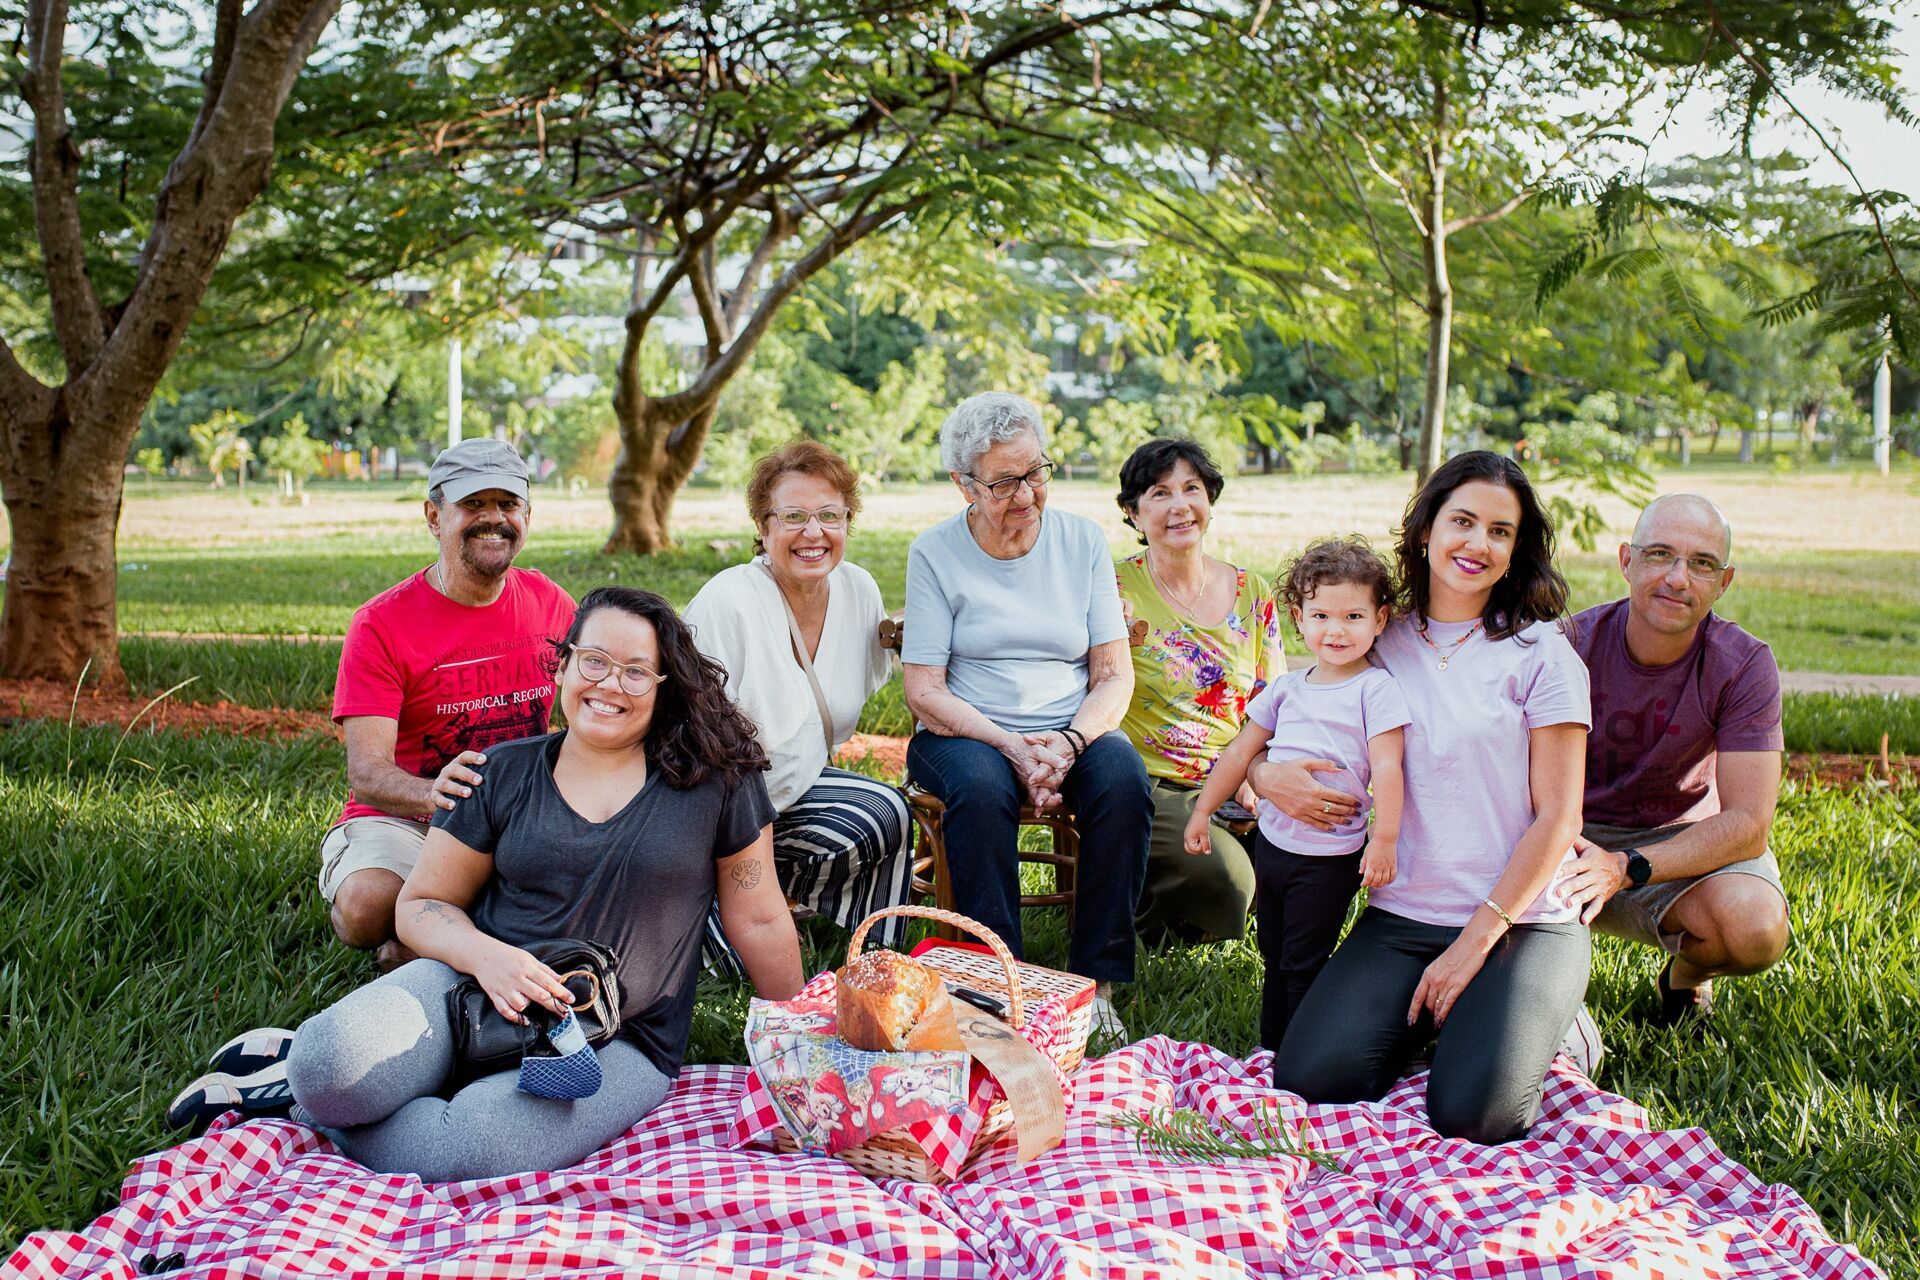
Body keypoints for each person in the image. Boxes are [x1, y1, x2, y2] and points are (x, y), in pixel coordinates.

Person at [167, 587, 805, 1180]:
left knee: (470, 1147)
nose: (611, 684)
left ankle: (312, 1113)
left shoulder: (717, 783)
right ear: (561, 668)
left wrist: (801, 1046)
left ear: (665, 687)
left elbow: (759, 918)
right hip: (469, 985)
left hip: (617, 1036)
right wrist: (489, 958)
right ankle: (306, 1079)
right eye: (595, 661)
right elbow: (421, 906)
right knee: (328, 1067)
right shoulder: (499, 772)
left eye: (637, 671)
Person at [1267, 451, 1591, 1144]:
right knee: (1313, 1078)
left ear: (1517, 550)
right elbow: (1292, 715)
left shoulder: (1543, 655)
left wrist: (1473, 945)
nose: (1478, 544)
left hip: (1521, 922)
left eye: (1500, 532)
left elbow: (1561, 817)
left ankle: (1552, 1019)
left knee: (1475, 1115)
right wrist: (1265, 775)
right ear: (1425, 531)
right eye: (1463, 521)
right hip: (1403, 914)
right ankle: (1455, 1018)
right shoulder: (1379, 636)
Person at [902, 392, 1150, 1039]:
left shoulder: (1081, 541)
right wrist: (1012, 745)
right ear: (964, 485)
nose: (1026, 493)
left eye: (1035, 471)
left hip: (1070, 723)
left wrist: (1069, 740)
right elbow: (924, 691)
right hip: (966, 727)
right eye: (1004, 481)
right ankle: (995, 988)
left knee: (1125, 783)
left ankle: (1097, 986)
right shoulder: (934, 553)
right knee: (982, 792)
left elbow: (1113, 674)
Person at [321, 438, 575, 968]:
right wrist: (433, 794)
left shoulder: (550, 603)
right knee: (367, 905)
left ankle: (426, 940)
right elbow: (367, 773)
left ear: (528, 516)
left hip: (515, 819)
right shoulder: (380, 623)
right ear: (435, 517)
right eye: (473, 505)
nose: (493, 519)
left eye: (507, 505)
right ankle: (437, 926)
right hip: (409, 817)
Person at [1557, 493, 1788, 1024]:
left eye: (1702, 563)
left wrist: (1625, 867)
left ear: (1723, 582)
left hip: (1676, 844)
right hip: (1565, 833)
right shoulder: (1568, 645)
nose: (1678, 578)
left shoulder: (1744, 665)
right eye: (1660, 554)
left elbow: (1749, 825)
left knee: (1754, 928)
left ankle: (1683, 981)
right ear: (1626, 561)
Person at [684, 440, 916, 966]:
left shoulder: (858, 590)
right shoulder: (731, 601)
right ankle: (737, 907)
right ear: (763, 528)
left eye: (829, 515)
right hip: (714, 806)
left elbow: (877, 659)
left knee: (888, 813)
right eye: (793, 516)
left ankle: (877, 963)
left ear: (847, 522)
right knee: (734, 959)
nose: (814, 533)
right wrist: (748, 846)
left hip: (795, 787)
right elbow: (690, 742)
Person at [1184, 539, 1408, 1052]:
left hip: (1330, 859)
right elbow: (1240, 753)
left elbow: (1389, 767)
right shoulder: (1287, 688)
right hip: (1275, 846)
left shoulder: (1375, 689)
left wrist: (1386, 839)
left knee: (1303, 961)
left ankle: (1298, 1058)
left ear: (1380, 620)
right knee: (1273, 953)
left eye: (1354, 615)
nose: (1336, 629)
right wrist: (1202, 810)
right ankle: (1271, 1051)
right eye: (1321, 614)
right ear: (1298, 618)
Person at [1113, 438, 1283, 943]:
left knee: (1330, 836)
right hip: (1152, 782)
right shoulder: (1112, 588)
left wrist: (1255, 771)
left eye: (1192, 488)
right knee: (1228, 881)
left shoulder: (1253, 590)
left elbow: (1269, 701)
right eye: (1160, 494)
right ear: (1133, 512)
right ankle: (1149, 907)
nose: (1180, 505)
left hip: (1239, 771)